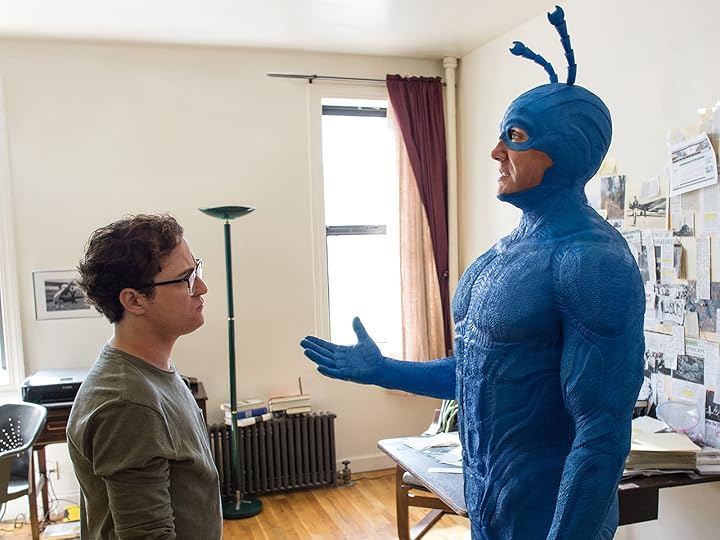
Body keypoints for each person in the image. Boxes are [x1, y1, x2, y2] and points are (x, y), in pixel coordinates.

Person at [301, 7, 644, 540]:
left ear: (565, 151)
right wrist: (384, 370)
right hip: (490, 504)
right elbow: (478, 372)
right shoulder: (506, 252)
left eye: (515, 136)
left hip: (549, 519)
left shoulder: (593, 261)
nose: (496, 152)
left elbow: (601, 435)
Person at [67, 214, 222, 539]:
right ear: (134, 300)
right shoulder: (128, 403)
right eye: (186, 279)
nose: (202, 288)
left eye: (197, 270)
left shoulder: (152, 370)